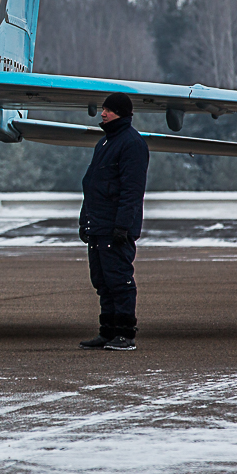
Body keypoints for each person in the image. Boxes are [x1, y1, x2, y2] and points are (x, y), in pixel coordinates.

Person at [77, 91, 149, 352]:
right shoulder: (104, 143)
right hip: (98, 226)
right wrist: (85, 220)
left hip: (115, 228)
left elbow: (132, 190)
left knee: (119, 280)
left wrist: (123, 226)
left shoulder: (132, 144)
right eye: (104, 109)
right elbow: (92, 185)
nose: (103, 113)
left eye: (109, 110)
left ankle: (125, 334)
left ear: (122, 114)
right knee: (102, 281)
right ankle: (107, 331)